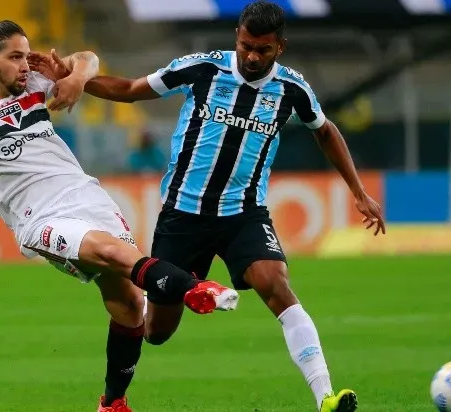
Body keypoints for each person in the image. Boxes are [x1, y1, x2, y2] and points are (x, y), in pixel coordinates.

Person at [0, 15, 240, 412]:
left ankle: (112, 402)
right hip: (41, 218)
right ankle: (191, 287)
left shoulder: (37, 85)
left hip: (88, 197)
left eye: (27, 55)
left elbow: (87, 57)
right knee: (108, 252)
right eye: (15, 57)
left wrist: (74, 79)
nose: (25, 65)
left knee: (127, 302)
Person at [30, 1, 386, 411]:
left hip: (243, 214)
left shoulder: (292, 89)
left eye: (262, 50)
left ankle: (326, 396)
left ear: (280, 48)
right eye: (246, 46)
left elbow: (325, 131)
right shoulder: (203, 68)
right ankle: (145, 297)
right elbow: (128, 90)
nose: (252, 56)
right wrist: (72, 77)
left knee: (278, 285)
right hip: (183, 216)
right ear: (237, 36)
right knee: (156, 332)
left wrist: (358, 191)